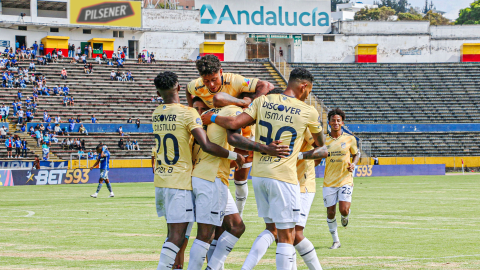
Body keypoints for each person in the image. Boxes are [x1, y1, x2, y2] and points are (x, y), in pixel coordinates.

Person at [202, 67, 328, 269]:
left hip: (259, 175)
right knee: (287, 235)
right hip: (284, 177)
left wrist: (262, 148)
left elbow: (234, 130)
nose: (308, 95)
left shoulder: (262, 101)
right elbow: (321, 148)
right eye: (309, 91)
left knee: (272, 229)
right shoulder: (308, 111)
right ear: (304, 87)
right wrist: (303, 152)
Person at [152, 71, 244, 270]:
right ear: (178, 87)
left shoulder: (157, 113)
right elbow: (207, 145)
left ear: (158, 93)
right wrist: (235, 156)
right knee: (180, 236)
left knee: (226, 227)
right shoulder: (188, 114)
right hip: (182, 181)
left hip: (163, 180)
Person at [187, 55, 274, 215]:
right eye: (206, 81)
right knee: (215, 171)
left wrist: (251, 106)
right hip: (217, 128)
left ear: (221, 72)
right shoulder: (196, 86)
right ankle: (222, 212)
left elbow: (266, 84)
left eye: (214, 79)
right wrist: (192, 111)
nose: (211, 85)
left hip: (242, 131)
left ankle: (238, 214)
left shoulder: (234, 80)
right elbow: (188, 90)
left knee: (240, 179)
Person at [321, 108, 360, 249]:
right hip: (329, 181)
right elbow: (318, 154)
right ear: (329, 123)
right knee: (330, 212)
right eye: (333, 120)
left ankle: (345, 216)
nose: (336, 123)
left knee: (343, 209)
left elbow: (356, 154)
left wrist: (353, 164)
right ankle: (336, 241)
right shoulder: (324, 140)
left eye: (338, 120)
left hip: (345, 179)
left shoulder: (350, 139)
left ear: (342, 123)